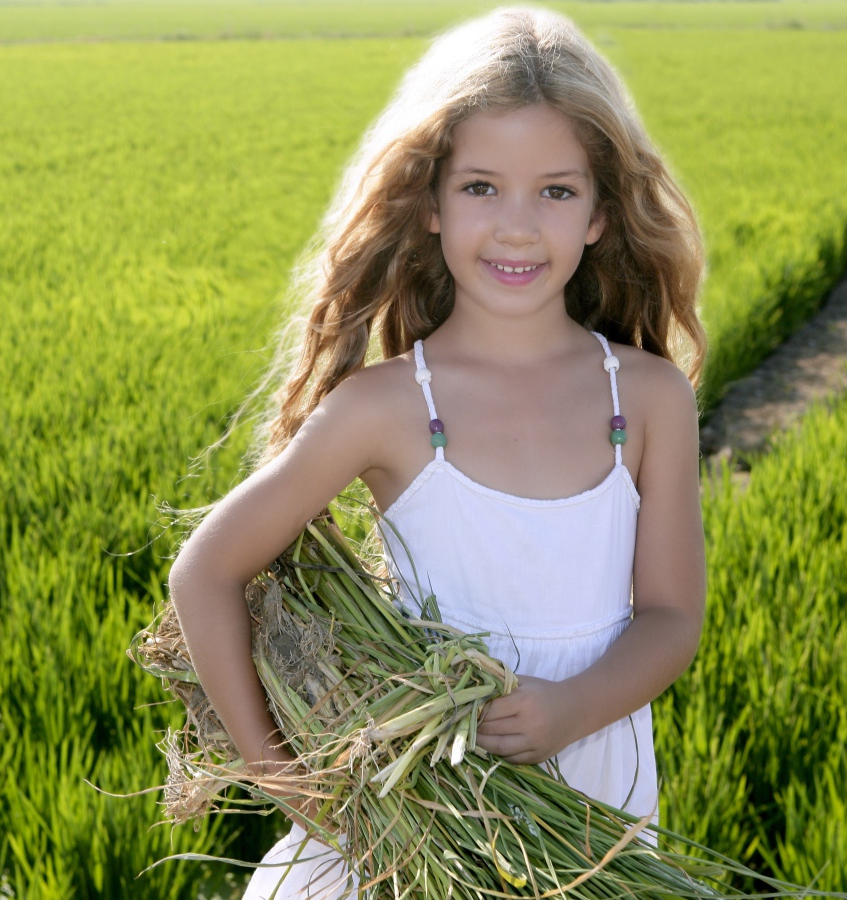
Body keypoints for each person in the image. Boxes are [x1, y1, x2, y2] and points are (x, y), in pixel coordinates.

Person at [168, 7, 708, 898]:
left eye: (557, 192)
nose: (517, 228)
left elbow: (672, 618)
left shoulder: (647, 399)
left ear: (604, 214)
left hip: (588, 818)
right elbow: (206, 573)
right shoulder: (384, 409)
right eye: (481, 188)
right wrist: (289, 786)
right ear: (429, 203)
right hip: (419, 823)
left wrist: (570, 709)